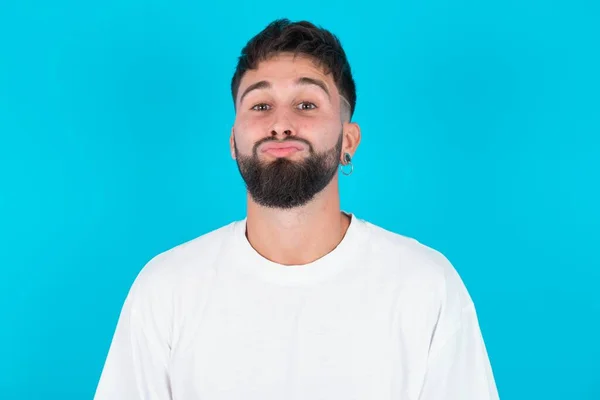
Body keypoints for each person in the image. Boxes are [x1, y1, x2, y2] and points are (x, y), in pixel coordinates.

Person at [94, 18, 499, 400]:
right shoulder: (165, 289)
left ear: (348, 141)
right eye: (260, 105)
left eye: (306, 105)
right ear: (233, 141)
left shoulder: (426, 286)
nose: (281, 124)